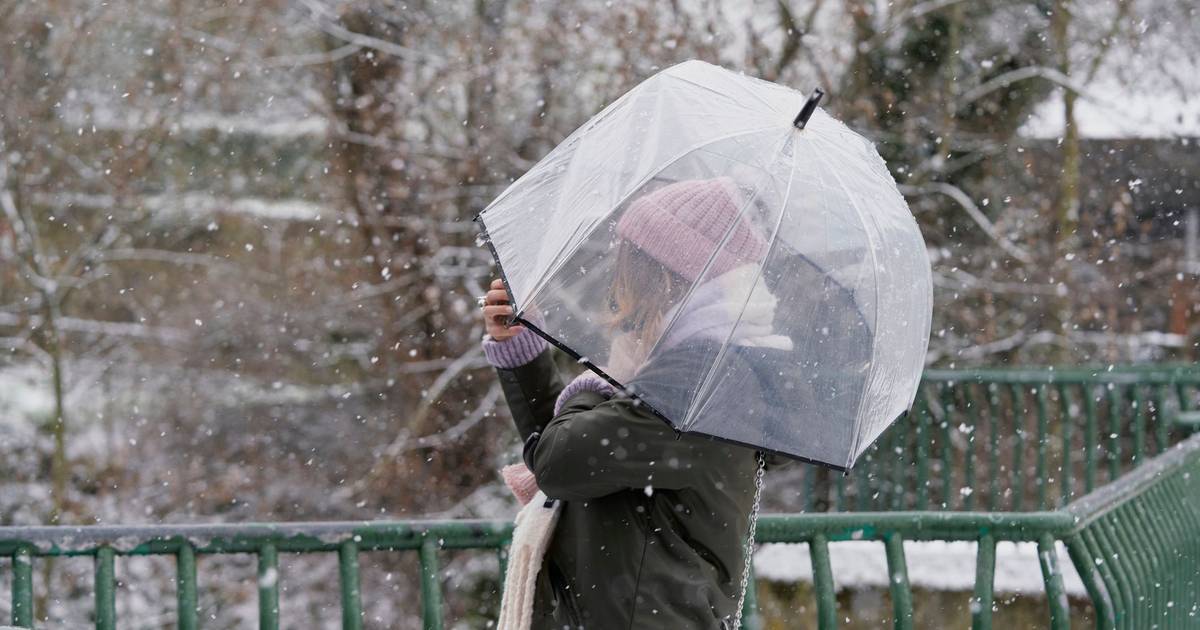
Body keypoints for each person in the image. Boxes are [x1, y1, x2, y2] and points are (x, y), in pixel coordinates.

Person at [481, 178, 782, 629]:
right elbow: (575, 461)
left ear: (662, 276)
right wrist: (524, 355)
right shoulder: (694, 371)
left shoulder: (697, 385)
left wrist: (597, 384)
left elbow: (560, 461)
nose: (617, 283)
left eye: (628, 262)